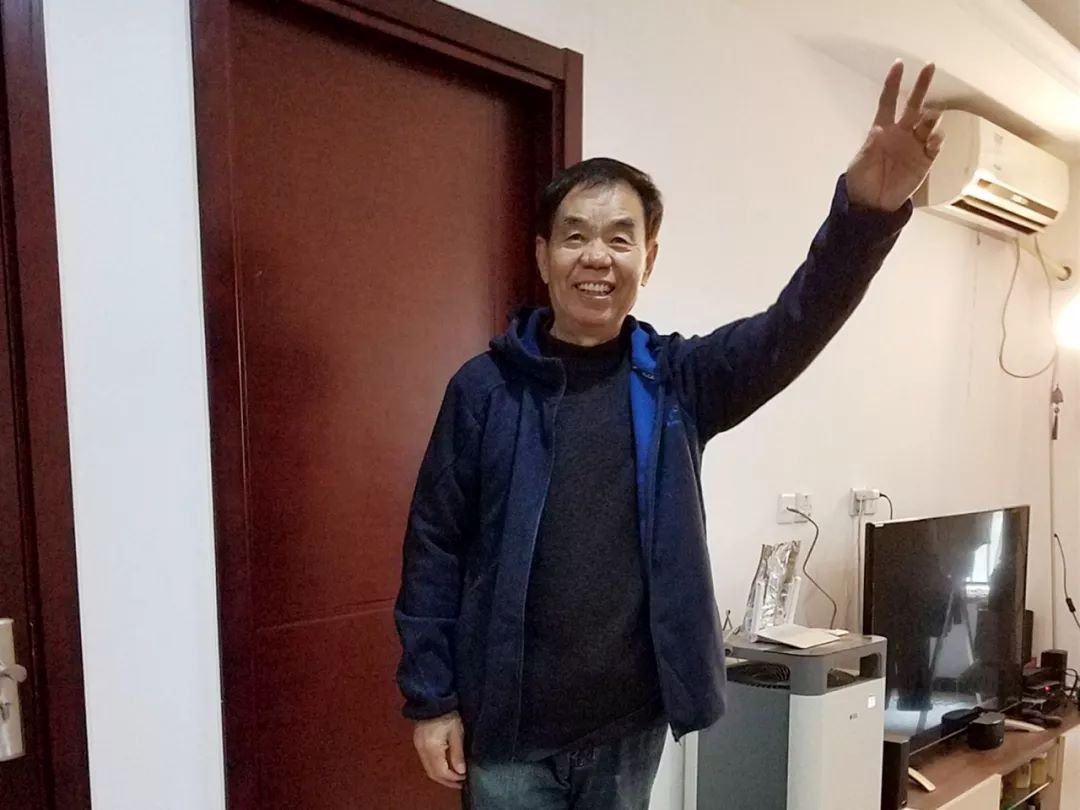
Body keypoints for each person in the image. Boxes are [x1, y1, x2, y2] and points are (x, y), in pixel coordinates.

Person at [395, 60, 943, 810]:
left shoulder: (679, 381)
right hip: (508, 733)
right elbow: (433, 546)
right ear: (543, 257)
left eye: (620, 239)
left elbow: (794, 326)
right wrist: (431, 699)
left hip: (627, 729)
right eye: (575, 237)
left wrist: (865, 216)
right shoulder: (485, 390)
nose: (597, 257)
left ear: (648, 259)